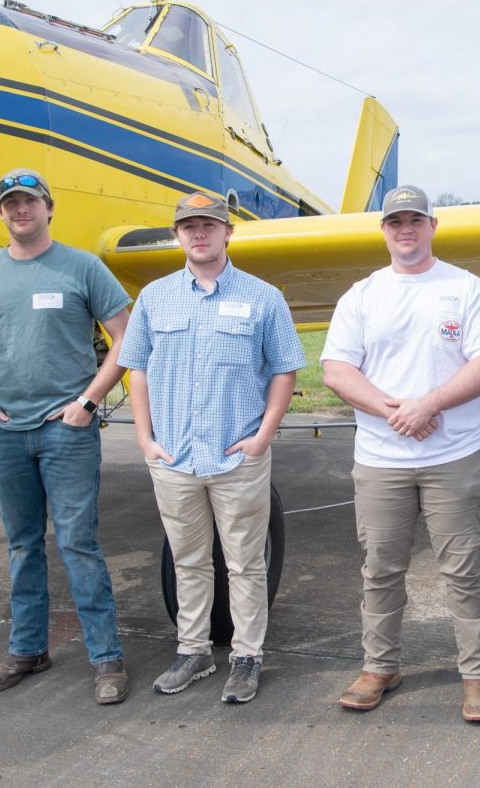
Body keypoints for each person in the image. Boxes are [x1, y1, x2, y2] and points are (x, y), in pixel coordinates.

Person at [321, 185, 480, 723]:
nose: (405, 229)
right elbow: (337, 370)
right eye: (395, 221)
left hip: (454, 454)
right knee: (380, 568)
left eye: (415, 220)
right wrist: (396, 413)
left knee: (463, 568)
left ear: (433, 226)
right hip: (382, 457)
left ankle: (478, 676)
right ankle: (379, 666)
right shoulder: (362, 294)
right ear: (383, 230)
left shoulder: (467, 288)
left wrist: (427, 403)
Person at [0, 167, 133, 705]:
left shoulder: (83, 267)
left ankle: (106, 659)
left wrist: (87, 402)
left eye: (30, 201)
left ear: (50, 208)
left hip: (66, 432)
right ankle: (27, 649)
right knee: (22, 544)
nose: (21, 210)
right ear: (1, 213)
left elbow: (125, 337)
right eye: (11, 203)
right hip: (6, 432)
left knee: (78, 543)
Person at [117, 190, 303, 705]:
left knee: (245, 563)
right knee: (188, 560)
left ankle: (246, 658)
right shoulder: (154, 298)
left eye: (209, 225)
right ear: (177, 235)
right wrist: (145, 440)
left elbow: (285, 369)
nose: (199, 233)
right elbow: (137, 371)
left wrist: (262, 437)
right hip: (174, 458)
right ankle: (193, 651)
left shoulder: (263, 296)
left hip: (235, 456)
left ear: (228, 232)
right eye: (189, 226)